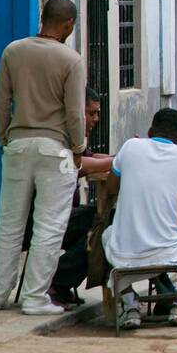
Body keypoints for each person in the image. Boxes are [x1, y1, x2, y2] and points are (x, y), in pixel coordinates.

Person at [0, 0, 87, 316]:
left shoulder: (13, 51)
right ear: (69, 24)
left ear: (43, 18)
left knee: (9, 223)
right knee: (49, 225)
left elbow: (1, 101)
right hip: (54, 149)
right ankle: (33, 297)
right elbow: (74, 114)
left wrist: (4, 137)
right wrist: (79, 149)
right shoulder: (71, 59)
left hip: (17, 144)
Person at [103, 108, 177, 329]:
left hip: (124, 255)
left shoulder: (130, 147)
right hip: (170, 253)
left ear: (150, 131)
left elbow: (111, 187)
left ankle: (130, 305)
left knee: (106, 235)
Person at [40, 87, 115, 308]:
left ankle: (61, 282)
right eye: (91, 113)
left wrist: (126, 154)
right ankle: (56, 282)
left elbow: (95, 157)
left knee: (104, 218)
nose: (96, 119)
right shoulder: (59, 139)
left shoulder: (75, 139)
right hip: (47, 219)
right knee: (102, 225)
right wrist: (126, 157)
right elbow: (80, 164)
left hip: (64, 215)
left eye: (97, 113)